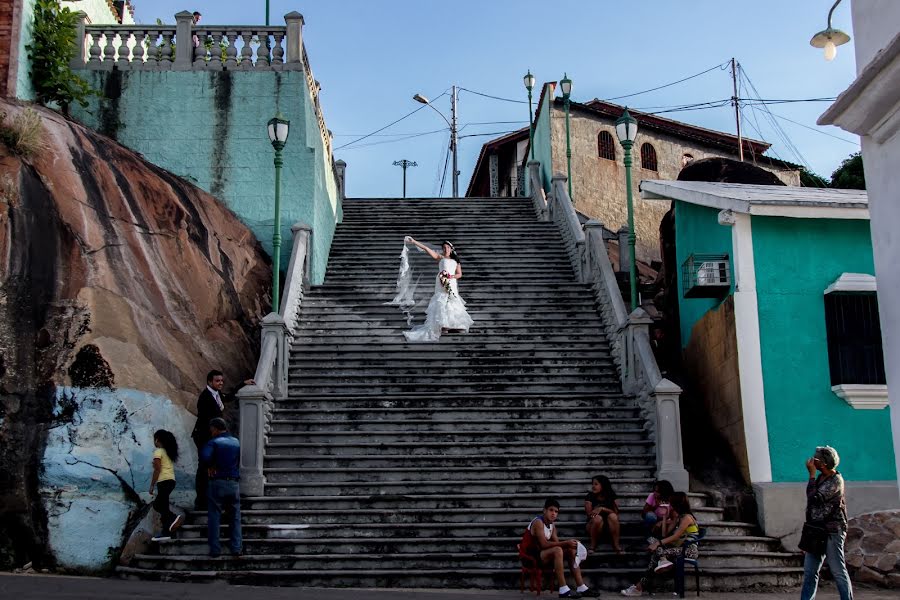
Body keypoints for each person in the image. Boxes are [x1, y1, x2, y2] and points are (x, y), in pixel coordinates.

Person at [191, 370, 253, 509]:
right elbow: (206, 419)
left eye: (221, 381)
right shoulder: (205, 397)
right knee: (204, 467)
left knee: (212, 466)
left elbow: (228, 396)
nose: (220, 383)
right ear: (209, 382)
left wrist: (242, 384)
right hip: (204, 436)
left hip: (214, 437)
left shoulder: (217, 394)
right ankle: (201, 501)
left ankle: (210, 498)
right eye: (217, 381)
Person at [621, 492, 700, 597]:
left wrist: (658, 543)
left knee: (657, 552)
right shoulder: (678, 517)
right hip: (678, 548)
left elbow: (675, 536)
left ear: (676, 504)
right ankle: (661, 563)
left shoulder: (687, 518)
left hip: (689, 550)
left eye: (670, 503)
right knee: (654, 550)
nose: (669, 505)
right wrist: (664, 517)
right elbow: (664, 534)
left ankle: (640, 586)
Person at [800, 445, 853, 600]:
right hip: (815, 530)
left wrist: (810, 475)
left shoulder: (836, 480)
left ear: (822, 464)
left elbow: (813, 498)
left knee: (837, 571)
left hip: (832, 531)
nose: (811, 460)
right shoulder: (821, 477)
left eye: (815, 458)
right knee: (810, 572)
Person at [402, 238, 473, 342]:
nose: (446, 249)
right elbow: (426, 248)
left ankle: (456, 324)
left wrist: (450, 276)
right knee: (442, 300)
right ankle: (444, 325)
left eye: (447, 247)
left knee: (452, 300)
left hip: (451, 281)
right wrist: (414, 242)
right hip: (441, 281)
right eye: (444, 248)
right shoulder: (440, 257)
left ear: (451, 249)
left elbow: (459, 274)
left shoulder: (456, 261)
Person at [526, 498, 598, 598]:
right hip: (531, 557)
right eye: (551, 510)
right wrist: (566, 542)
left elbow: (557, 543)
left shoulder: (552, 525)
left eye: (556, 512)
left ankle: (581, 586)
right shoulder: (538, 522)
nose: (553, 514)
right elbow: (544, 544)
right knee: (558, 550)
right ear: (544, 510)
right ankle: (563, 589)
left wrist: (570, 544)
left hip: (543, 555)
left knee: (570, 550)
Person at [200, 418, 242, 557]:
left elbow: (205, 457)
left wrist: (212, 465)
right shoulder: (236, 442)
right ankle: (236, 547)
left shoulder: (213, 442)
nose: (211, 432)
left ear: (215, 429)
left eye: (211, 429)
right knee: (235, 517)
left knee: (214, 515)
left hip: (217, 482)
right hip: (234, 483)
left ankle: (215, 549)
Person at [149, 429, 183, 541]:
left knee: (158, 505)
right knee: (163, 505)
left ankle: (174, 517)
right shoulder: (167, 452)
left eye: (154, 439)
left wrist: (152, 485)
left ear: (157, 440)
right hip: (170, 481)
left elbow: (158, 469)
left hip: (163, 481)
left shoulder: (158, 451)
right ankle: (166, 532)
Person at [584, 474, 623, 554]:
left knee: (613, 516)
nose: (593, 486)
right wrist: (596, 513)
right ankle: (593, 545)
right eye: (592, 484)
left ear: (603, 485)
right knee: (597, 518)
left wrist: (602, 509)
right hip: (593, 526)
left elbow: (616, 513)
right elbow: (589, 514)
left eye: (596, 484)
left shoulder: (611, 495)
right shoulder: (590, 496)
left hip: (610, 527)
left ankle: (616, 545)